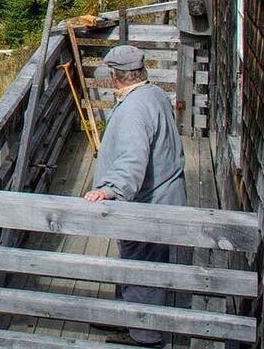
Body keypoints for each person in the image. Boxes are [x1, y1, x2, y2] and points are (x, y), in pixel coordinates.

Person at [83, 43, 187, 348]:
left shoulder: (133, 109)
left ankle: (145, 336)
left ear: (116, 77)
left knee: (143, 266)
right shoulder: (153, 93)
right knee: (135, 261)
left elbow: (132, 158)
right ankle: (125, 317)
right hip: (162, 194)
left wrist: (109, 189)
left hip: (149, 203)